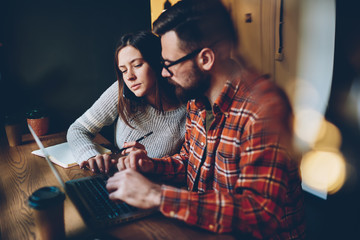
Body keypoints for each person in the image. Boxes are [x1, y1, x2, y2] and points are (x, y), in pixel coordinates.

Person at [106, 0, 306, 238]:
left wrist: (155, 195)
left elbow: (260, 215)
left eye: (169, 64)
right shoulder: (196, 100)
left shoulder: (264, 109)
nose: (163, 73)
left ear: (206, 59)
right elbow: (189, 162)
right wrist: (151, 165)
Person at [67, 30, 186, 174]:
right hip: (115, 177)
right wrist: (91, 155)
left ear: (157, 62)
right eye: (123, 70)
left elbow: (185, 169)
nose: (129, 77)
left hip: (152, 188)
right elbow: (78, 129)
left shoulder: (189, 111)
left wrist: (149, 163)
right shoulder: (121, 90)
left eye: (137, 65)